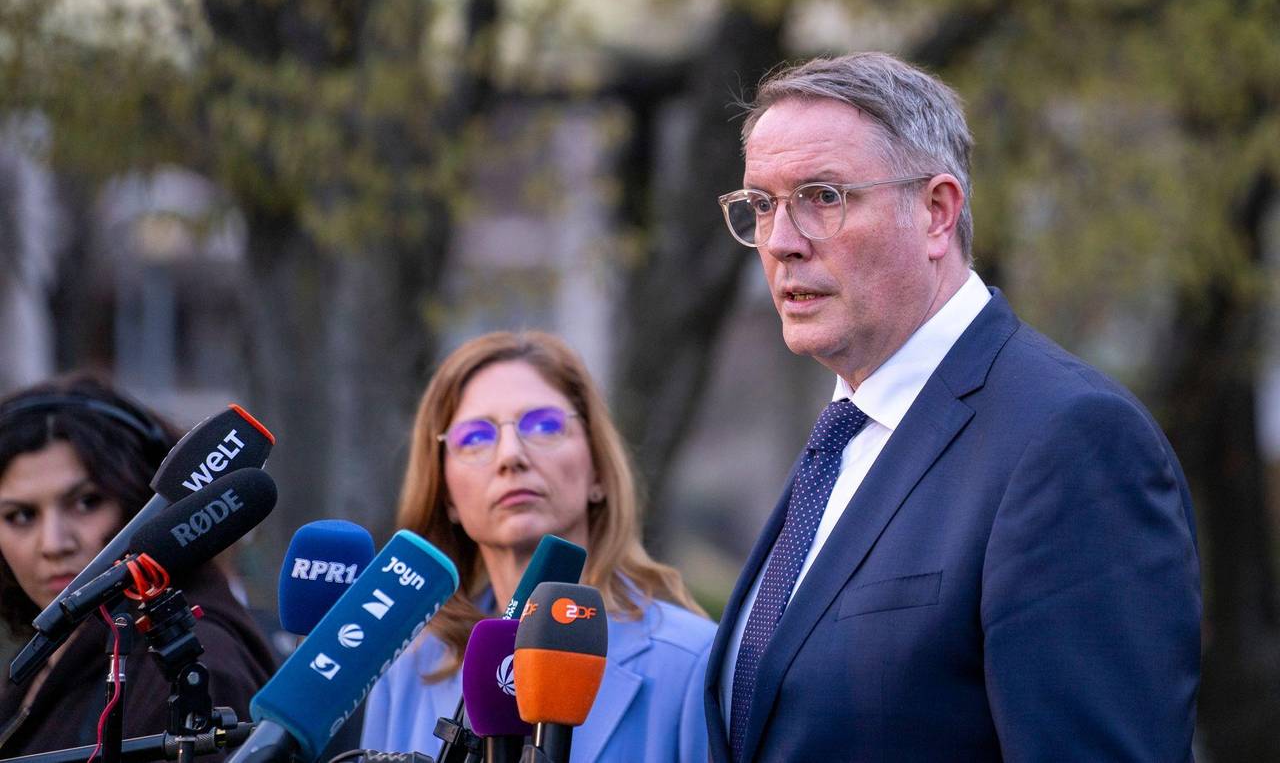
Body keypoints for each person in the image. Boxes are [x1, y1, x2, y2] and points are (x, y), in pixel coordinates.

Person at [704, 53, 1201, 762]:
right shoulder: (845, 436)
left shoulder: (1071, 440)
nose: (781, 242)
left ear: (937, 212)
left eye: (822, 197)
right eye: (761, 205)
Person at [361, 331, 715, 763]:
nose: (510, 456)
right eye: (474, 437)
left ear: (598, 471)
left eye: (544, 426)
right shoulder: (406, 669)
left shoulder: (695, 662)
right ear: (446, 494)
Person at [0, 375, 276, 757]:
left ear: (143, 503)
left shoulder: (195, 666)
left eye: (87, 502)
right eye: (20, 516)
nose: (53, 544)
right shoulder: (57, 655)